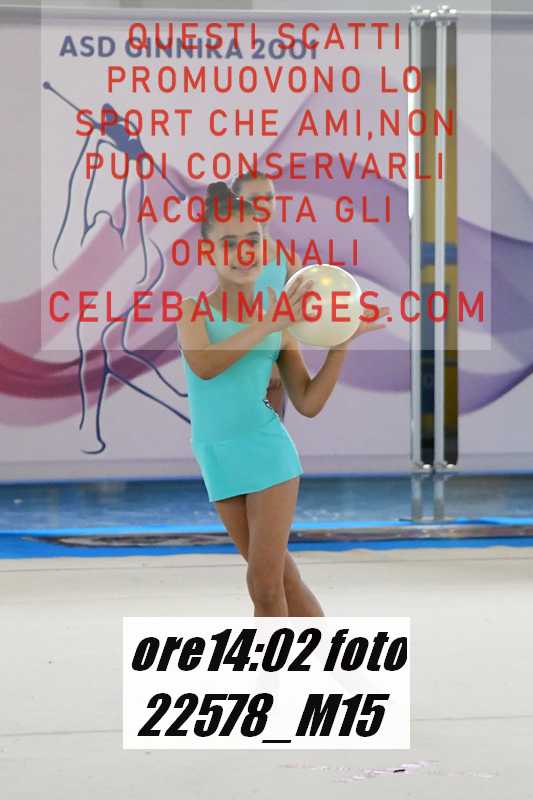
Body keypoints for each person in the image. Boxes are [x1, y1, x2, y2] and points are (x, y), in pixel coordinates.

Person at [178, 182, 389, 617]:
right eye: (229, 243)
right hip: (215, 455)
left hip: (267, 453)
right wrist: (269, 323)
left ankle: (272, 665)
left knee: (264, 585)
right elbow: (205, 364)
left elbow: (308, 402)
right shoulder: (193, 310)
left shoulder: (279, 323)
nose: (244, 252)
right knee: (283, 580)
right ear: (208, 251)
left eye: (252, 240)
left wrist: (340, 343)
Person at [232, 172, 301, 419]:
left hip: (274, 365)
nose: (263, 205)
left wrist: (277, 363)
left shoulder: (288, 259)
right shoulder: (226, 253)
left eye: (269, 197)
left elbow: (293, 319)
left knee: (270, 433)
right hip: (235, 361)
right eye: (254, 199)